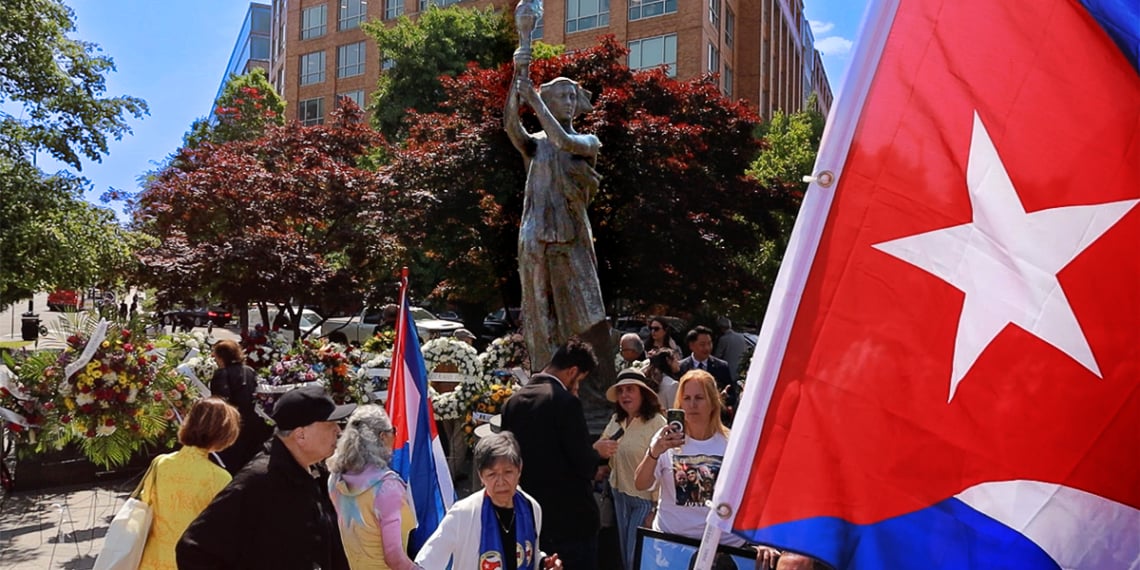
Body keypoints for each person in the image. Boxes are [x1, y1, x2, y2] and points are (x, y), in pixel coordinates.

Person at [176, 384, 355, 570]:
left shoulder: (313, 474)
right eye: (330, 424)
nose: (338, 431)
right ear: (300, 435)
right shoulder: (259, 480)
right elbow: (193, 549)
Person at [504, 68, 607, 371]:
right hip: (536, 236)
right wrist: (517, 76)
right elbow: (511, 127)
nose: (569, 100)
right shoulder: (535, 144)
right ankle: (543, 373)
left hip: (572, 236)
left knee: (585, 312)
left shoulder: (588, 141)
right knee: (538, 313)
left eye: (572, 95)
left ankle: (585, 377)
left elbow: (562, 141)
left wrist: (533, 99)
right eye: (562, 95)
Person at [633, 371, 782, 569]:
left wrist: (763, 540)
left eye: (699, 398)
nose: (692, 404)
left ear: (712, 402)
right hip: (672, 549)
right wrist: (654, 452)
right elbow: (641, 484)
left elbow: (756, 496)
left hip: (724, 552)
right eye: (686, 398)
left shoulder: (733, 444)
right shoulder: (665, 441)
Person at [501, 338, 602, 570]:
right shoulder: (565, 403)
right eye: (579, 381)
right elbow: (584, 465)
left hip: (531, 518)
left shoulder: (512, 402)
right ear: (573, 371)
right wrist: (597, 453)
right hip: (572, 522)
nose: (578, 387)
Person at [415, 431, 562, 569]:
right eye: (492, 474)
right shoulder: (464, 514)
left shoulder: (531, 507)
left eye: (508, 472)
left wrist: (544, 563)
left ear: (519, 469)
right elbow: (427, 560)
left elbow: (529, 554)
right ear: (481, 476)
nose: (501, 481)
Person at [137, 398, 241, 570]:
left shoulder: (161, 463)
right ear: (224, 433)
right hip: (190, 561)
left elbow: (146, 504)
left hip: (152, 559)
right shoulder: (219, 477)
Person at [328, 405, 417, 570]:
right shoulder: (388, 487)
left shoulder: (335, 478)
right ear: (382, 437)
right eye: (393, 431)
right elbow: (394, 557)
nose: (395, 436)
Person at [594, 369, 666, 570]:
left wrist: (655, 509)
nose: (625, 395)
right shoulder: (617, 419)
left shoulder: (657, 423)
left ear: (643, 393)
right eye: (621, 391)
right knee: (625, 553)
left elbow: (665, 466)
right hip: (619, 494)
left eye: (630, 390)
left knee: (637, 554)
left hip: (644, 501)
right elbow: (602, 445)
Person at [209, 339, 273, 474]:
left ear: (221, 357)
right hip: (254, 426)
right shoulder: (249, 371)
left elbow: (220, 403)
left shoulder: (221, 374)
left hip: (234, 427)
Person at [678, 326, 736, 421]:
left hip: (714, 419)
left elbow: (732, 396)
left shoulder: (721, 366)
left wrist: (722, 399)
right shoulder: (681, 367)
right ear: (691, 346)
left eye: (709, 343)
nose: (707, 348)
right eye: (702, 344)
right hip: (689, 419)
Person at [714, 317, 749, 384]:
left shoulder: (723, 339)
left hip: (728, 372)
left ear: (721, 328)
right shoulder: (741, 337)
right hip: (740, 372)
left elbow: (717, 357)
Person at [646, 348, 681, 414]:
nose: (678, 362)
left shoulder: (652, 380)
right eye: (676, 359)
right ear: (668, 360)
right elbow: (674, 411)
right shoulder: (673, 385)